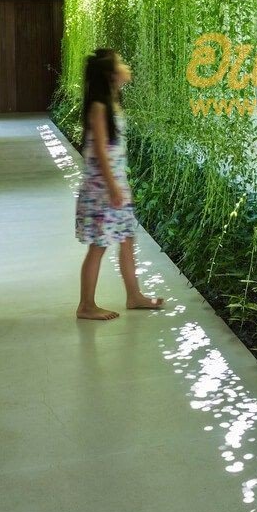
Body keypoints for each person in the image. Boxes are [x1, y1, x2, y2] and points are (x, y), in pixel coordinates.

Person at [75, 48, 164, 320]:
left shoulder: (111, 103)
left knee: (126, 239)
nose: (126, 66)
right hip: (102, 189)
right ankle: (86, 306)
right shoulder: (99, 107)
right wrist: (114, 187)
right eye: (121, 62)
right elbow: (100, 151)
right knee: (99, 245)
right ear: (111, 75)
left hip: (113, 185)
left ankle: (134, 296)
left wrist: (120, 185)